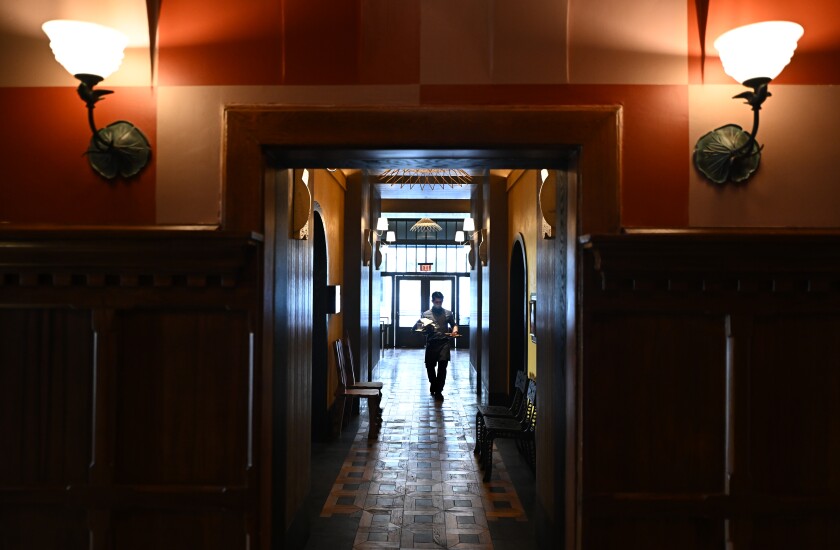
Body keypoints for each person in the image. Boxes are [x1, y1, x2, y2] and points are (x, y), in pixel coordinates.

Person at [416, 291, 458, 401]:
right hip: (431, 343)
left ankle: (439, 390)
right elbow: (420, 329)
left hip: (444, 342)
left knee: (443, 366)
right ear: (432, 301)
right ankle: (433, 383)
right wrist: (424, 330)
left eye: (440, 301)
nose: (438, 303)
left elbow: (454, 325)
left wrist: (454, 331)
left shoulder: (448, 313)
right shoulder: (426, 314)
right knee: (430, 366)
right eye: (436, 301)